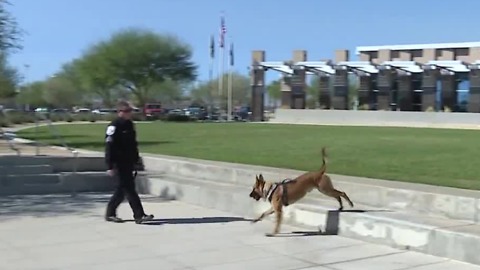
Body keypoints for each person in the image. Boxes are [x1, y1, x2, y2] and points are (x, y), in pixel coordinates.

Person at [104, 100, 153, 224]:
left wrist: (136, 160)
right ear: (119, 112)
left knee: (121, 190)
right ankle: (139, 215)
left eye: (130, 111)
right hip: (118, 163)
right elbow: (109, 147)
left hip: (128, 162)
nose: (129, 113)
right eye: (126, 111)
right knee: (130, 189)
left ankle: (110, 213)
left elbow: (133, 145)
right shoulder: (113, 126)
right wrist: (110, 165)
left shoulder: (130, 125)